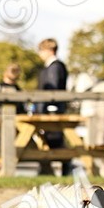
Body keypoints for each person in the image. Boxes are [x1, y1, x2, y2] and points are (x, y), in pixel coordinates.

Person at [36, 38, 71, 175]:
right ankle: (48, 170)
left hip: (52, 110)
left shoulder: (55, 67)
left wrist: (45, 108)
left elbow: (52, 90)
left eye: (41, 50)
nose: (40, 54)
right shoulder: (52, 66)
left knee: (54, 141)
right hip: (50, 109)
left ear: (49, 50)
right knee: (50, 141)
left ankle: (63, 169)